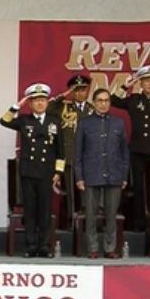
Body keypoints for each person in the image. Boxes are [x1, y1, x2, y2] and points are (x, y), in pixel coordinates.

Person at [0, 83, 64, 258]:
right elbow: (4, 121)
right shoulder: (24, 120)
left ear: (47, 102)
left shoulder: (54, 121)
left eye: (43, 100)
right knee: (30, 210)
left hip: (46, 172)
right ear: (30, 103)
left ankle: (44, 246)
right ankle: (30, 246)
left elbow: (61, 150)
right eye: (36, 101)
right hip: (28, 171)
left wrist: (58, 173)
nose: (40, 104)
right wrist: (16, 106)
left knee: (44, 210)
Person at [111, 65, 150, 231]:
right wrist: (125, 86)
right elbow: (113, 100)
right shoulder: (135, 100)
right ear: (141, 84)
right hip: (138, 152)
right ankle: (139, 223)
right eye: (146, 81)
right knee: (139, 188)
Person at [74, 88, 128, 259]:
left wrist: (124, 176)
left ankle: (110, 247)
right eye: (100, 100)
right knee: (91, 214)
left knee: (111, 214)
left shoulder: (118, 123)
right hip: (91, 173)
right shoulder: (85, 123)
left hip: (114, 173)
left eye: (106, 101)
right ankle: (92, 248)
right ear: (94, 102)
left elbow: (124, 152)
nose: (103, 104)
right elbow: (78, 153)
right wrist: (79, 176)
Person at [47, 74, 94, 227]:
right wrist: (64, 95)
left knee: (87, 194)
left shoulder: (92, 109)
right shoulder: (64, 106)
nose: (80, 93)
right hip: (69, 157)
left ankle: (86, 225)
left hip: (88, 159)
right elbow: (48, 106)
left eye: (83, 90)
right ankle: (69, 225)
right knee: (70, 195)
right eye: (77, 90)